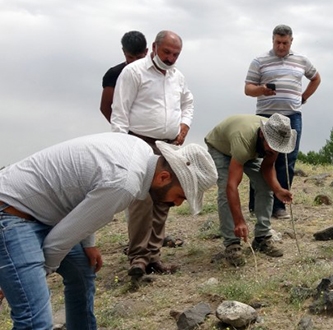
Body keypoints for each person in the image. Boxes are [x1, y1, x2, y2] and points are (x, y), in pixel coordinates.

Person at [0, 132, 216, 329]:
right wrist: (19, 279)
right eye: (181, 195)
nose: (178, 204)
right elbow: (55, 245)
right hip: (11, 213)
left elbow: (86, 194)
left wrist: (88, 244)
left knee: (83, 269)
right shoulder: (125, 183)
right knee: (34, 321)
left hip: (43, 213)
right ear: (163, 178)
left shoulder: (139, 150)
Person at [110, 30, 194, 278]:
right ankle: (137, 256)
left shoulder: (177, 76)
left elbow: (188, 102)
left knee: (163, 200)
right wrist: (121, 147)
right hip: (139, 144)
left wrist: (185, 125)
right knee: (140, 201)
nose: (170, 58)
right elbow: (120, 112)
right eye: (166, 52)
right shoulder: (134, 72)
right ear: (155, 47)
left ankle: (154, 255)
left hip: (168, 145)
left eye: (175, 54)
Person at [244, 24, 321, 219]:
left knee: (287, 160)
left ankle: (279, 206)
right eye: (277, 42)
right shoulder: (259, 61)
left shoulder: (301, 60)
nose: (281, 46)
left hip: (291, 116)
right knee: (260, 159)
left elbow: (316, 78)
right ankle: (257, 205)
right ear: (272, 40)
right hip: (265, 116)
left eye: (285, 43)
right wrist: (262, 89)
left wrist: (303, 98)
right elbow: (248, 89)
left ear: (291, 41)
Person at [205, 114, 295, 266]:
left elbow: (267, 168)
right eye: (271, 146)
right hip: (221, 147)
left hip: (248, 147)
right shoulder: (244, 140)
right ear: (262, 135)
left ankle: (262, 238)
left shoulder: (277, 138)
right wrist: (239, 221)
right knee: (225, 190)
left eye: (277, 148)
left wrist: (278, 189)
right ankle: (232, 244)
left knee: (265, 186)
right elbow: (232, 186)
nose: (274, 150)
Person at [99, 31, 148, 122]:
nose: (134, 62)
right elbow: (105, 107)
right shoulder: (114, 74)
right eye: (130, 57)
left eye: (139, 58)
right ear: (124, 52)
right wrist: (121, 128)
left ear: (146, 52)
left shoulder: (155, 72)